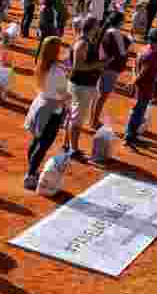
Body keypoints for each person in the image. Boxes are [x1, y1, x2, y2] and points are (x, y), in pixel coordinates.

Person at [23, 36, 68, 190]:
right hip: (52, 111)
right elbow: (64, 93)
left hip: (40, 105)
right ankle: (30, 174)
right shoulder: (58, 71)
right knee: (43, 144)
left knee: (36, 139)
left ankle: (31, 168)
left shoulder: (41, 64)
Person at [66, 16, 105, 161]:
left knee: (74, 117)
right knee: (77, 120)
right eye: (97, 26)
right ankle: (73, 150)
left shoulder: (84, 41)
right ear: (92, 27)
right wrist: (98, 65)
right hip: (81, 86)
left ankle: (69, 145)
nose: (99, 28)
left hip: (82, 85)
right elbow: (77, 66)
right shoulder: (83, 43)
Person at [125, 30, 157, 151]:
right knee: (138, 112)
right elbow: (143, 72)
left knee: (138, 111)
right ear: (155, 42)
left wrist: (133, 80)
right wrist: (134, 82)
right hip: (145, 87)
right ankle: (129, 137)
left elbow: (135, 67)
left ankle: (132, 135)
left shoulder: (143, 49)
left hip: (142, 86)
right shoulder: (151, 54)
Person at [91, 11, 128, 130]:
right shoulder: (115, 33)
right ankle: (94, 121)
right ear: (119, 22)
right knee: (102, 96)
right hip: (110, 68)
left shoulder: (105, 31)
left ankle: (92, 119)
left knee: (98, 95)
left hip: (102, 66)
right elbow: (122, 53)